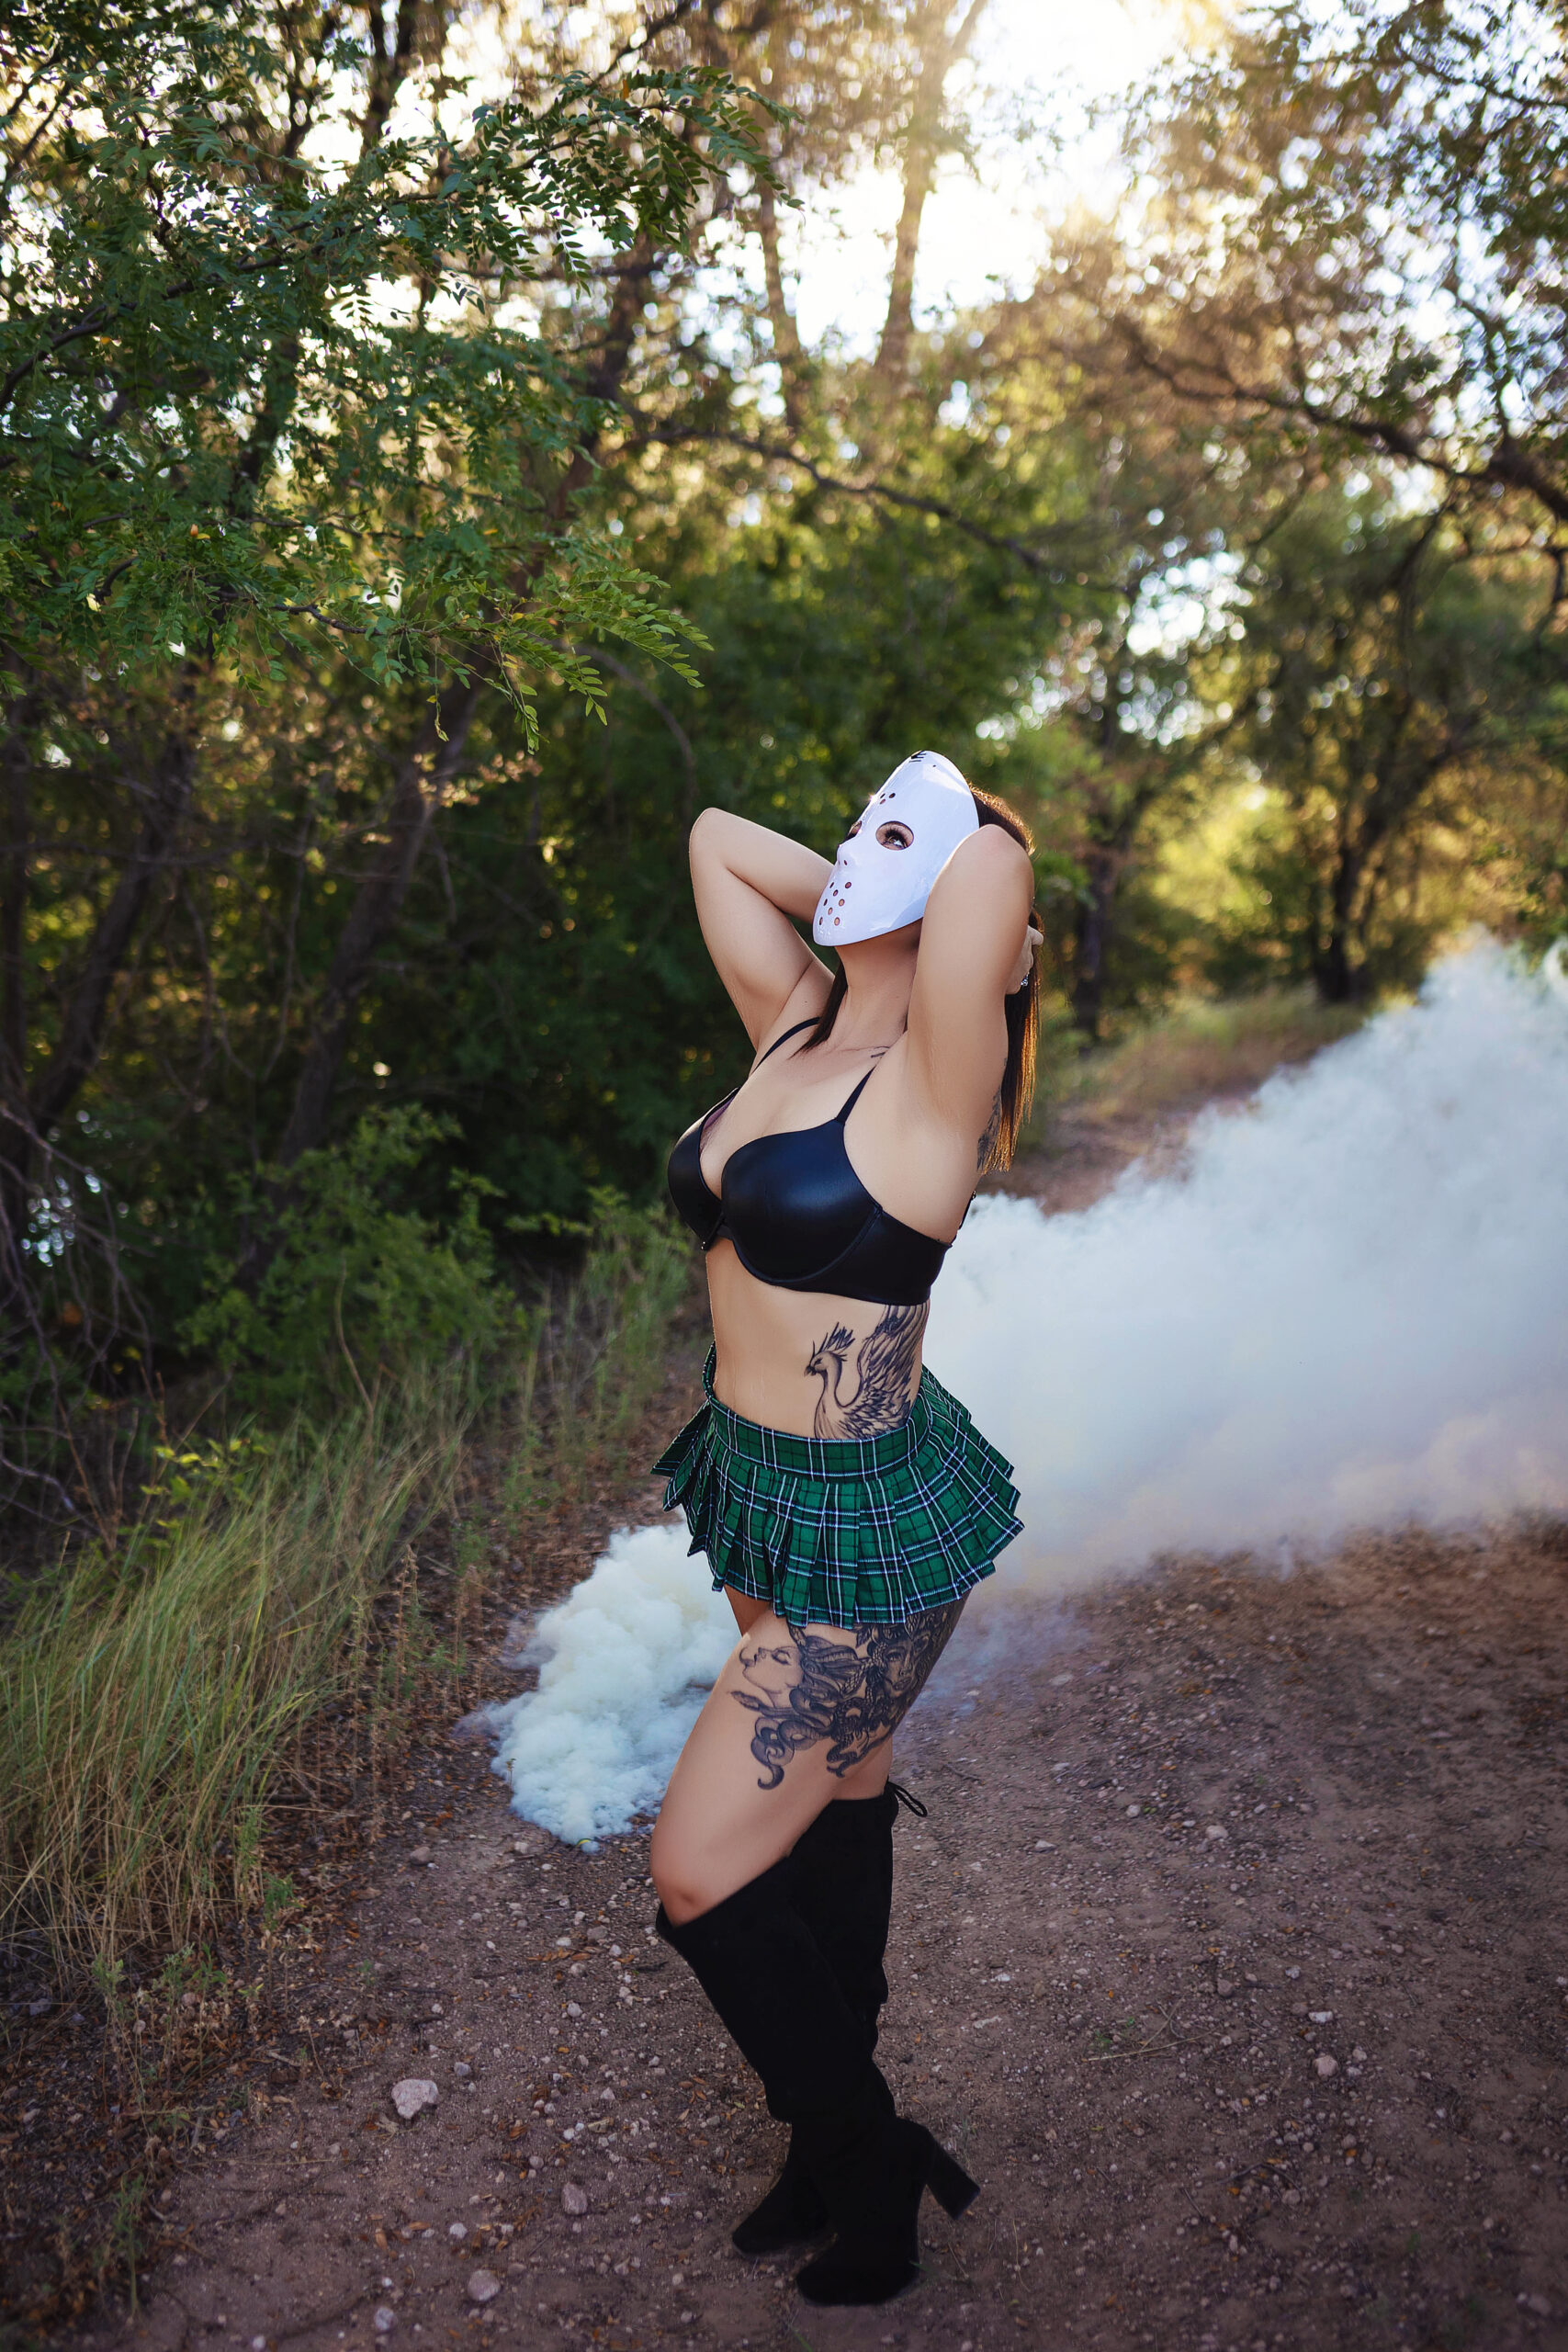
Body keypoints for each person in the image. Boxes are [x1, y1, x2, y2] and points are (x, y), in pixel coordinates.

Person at [649, 750, 1040, 2307]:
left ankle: (870, 2150)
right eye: (863, 828)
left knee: (699, 1871)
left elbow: (997, 886)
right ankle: (828, 2161)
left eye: (904, 840)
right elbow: (715, 840)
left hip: (869, 1534)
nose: (860, 850)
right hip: (761, 1493)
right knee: (839, 1801)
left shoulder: (946, 1074)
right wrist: (874, 874)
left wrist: (970, 843)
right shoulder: (795, 1022)